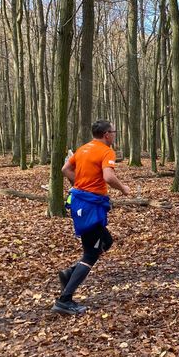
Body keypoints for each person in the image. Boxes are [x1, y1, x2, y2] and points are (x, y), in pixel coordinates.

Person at [53, 120, 131, 315]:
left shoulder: (83, 149)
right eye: (114, 131)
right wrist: (123, 188)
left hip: (80, 202)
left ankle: (69, 274)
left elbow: (65, 169)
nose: (115, 134)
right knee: (91, 254)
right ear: (106, 134)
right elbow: (108, 177)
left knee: (106, 240)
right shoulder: (106, 151)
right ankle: (64, 300)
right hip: (90, 206)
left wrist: (78, 184)